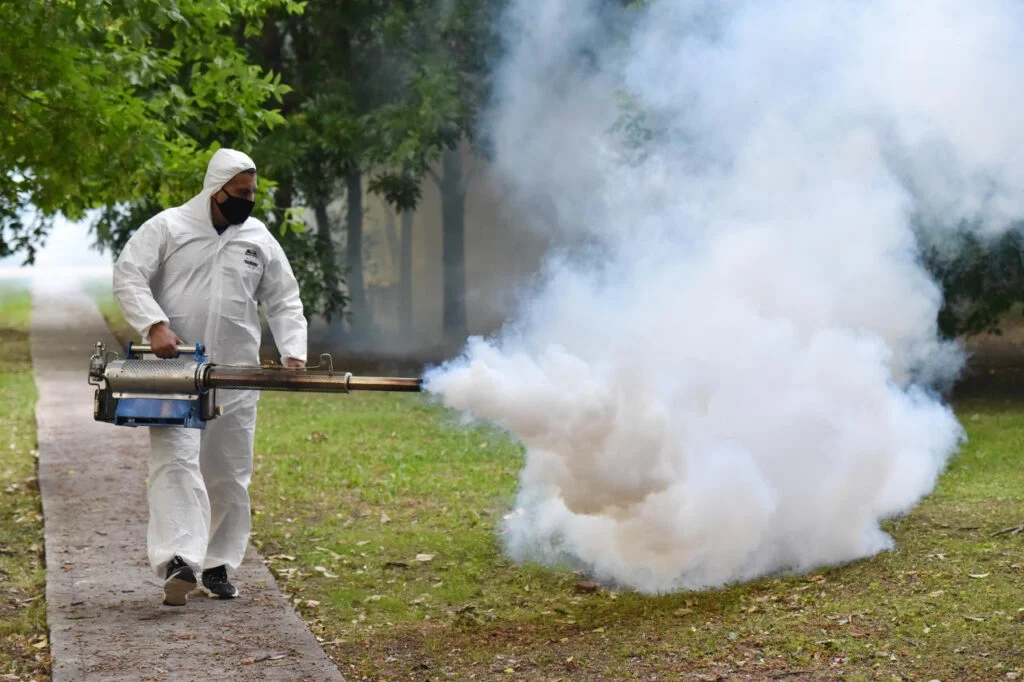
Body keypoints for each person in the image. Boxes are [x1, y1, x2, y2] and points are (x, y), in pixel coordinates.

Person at [113, 148, 307, 606]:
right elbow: (129, 275)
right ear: (215, 190)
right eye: (241, 193)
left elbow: (283, 298)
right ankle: (179, 560)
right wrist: (153, 323)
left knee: (229, 472)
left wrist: (293, 351)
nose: (248, 200)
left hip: (238, 372)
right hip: (175, 371)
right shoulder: (168, 227)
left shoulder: (257, 238)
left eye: (253, 193)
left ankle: (219, 563)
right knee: (176, 462)